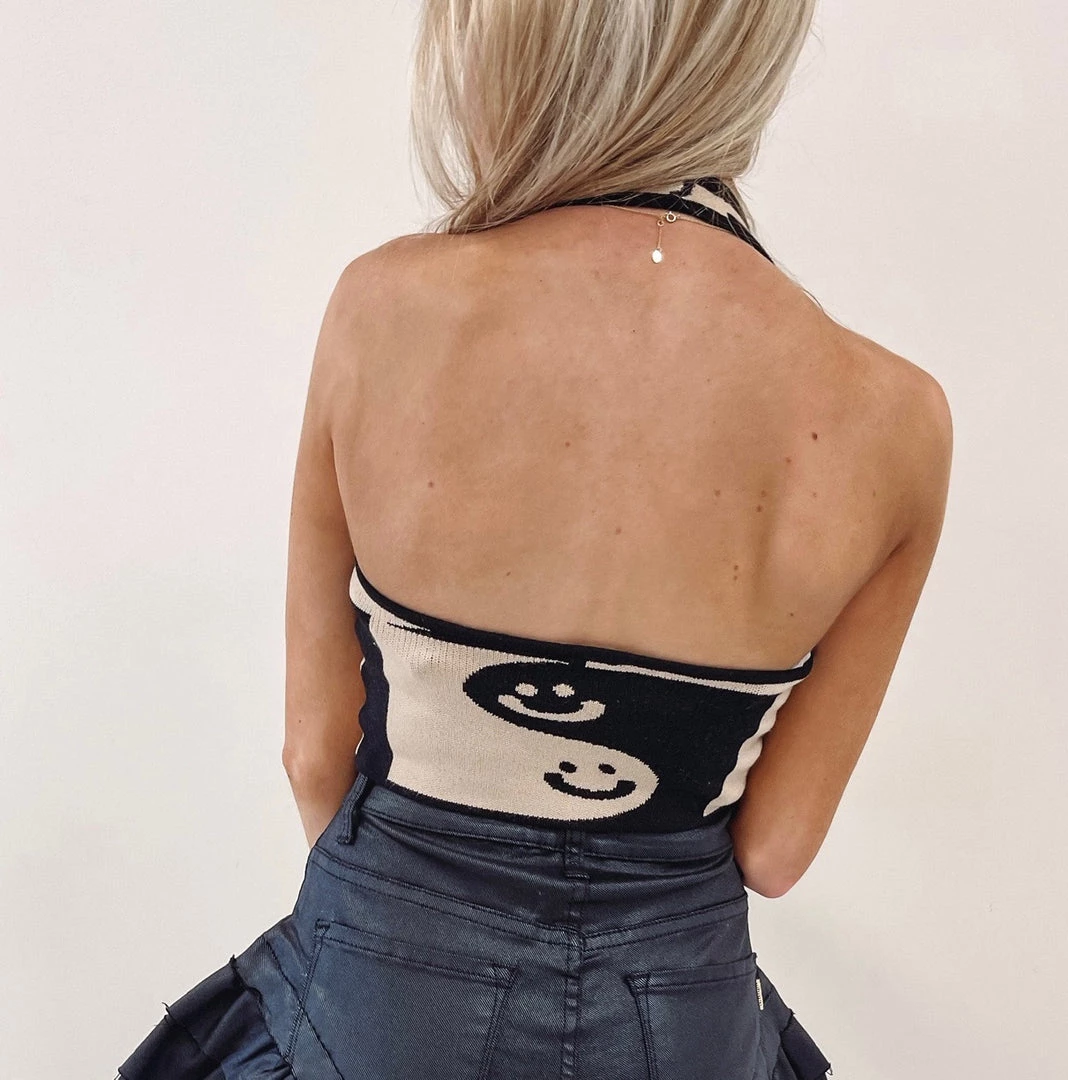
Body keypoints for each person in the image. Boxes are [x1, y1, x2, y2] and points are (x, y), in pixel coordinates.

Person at [116, 1, 952, 1077]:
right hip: (680, 1014)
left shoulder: (387, 306)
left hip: (388, 984)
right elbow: (775, 851)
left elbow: (315, 752)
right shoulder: (896, 419)